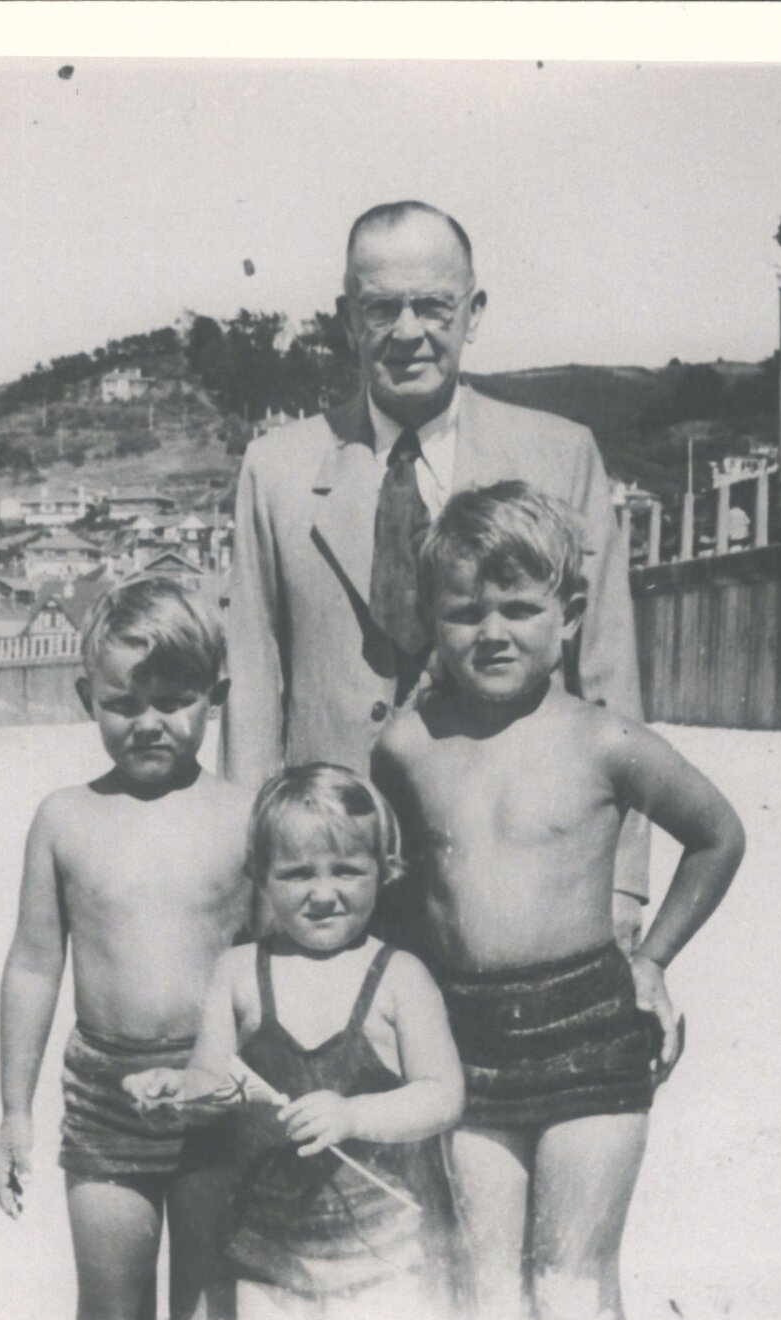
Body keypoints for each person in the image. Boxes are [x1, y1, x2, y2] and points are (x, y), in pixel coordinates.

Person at [370, 482, 746, 1320]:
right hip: (466, 1049)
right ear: (430, 619)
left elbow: (717, 834)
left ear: (568, 615)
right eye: (463, 611)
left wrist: (651, 958)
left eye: (519, 607)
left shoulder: (602, 740)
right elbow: (392, 890)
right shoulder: (406, 747)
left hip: (590, 1036)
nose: (491, 631)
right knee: (489, 1294)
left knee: (571, 1288)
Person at [220, 199, 652, 951]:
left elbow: (609, 681)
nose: (408, 331)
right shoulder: (277, 470)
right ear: (347, 320)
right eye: (381, 307)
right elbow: (253, 693)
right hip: (331, 879)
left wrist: (621, 881)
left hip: (516, 860)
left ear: (473, 311)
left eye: (433, 305)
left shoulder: (560, 455)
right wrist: (251, 881)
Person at [0, 577, 254, 1320]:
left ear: (216, 696)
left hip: (218, 1094)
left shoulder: (247, 815)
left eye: (174, 700)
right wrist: (13, 1110)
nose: (148, 723)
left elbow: (283, 963)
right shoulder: (65, 818)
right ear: (85, 698)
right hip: (105, 1095)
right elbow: (34, 964)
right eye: (122, 702)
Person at [123, 764, 465, 1320]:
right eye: (298, 873)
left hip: (383, 1260)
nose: (324, 892)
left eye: (347, 870)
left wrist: (355, 1115)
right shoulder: (238, 972)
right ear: (261, 877)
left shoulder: (399, 976)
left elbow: (444, 1095)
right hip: (270, 1262)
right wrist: (177, 1090)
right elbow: (215, 1079)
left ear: (384, 870)